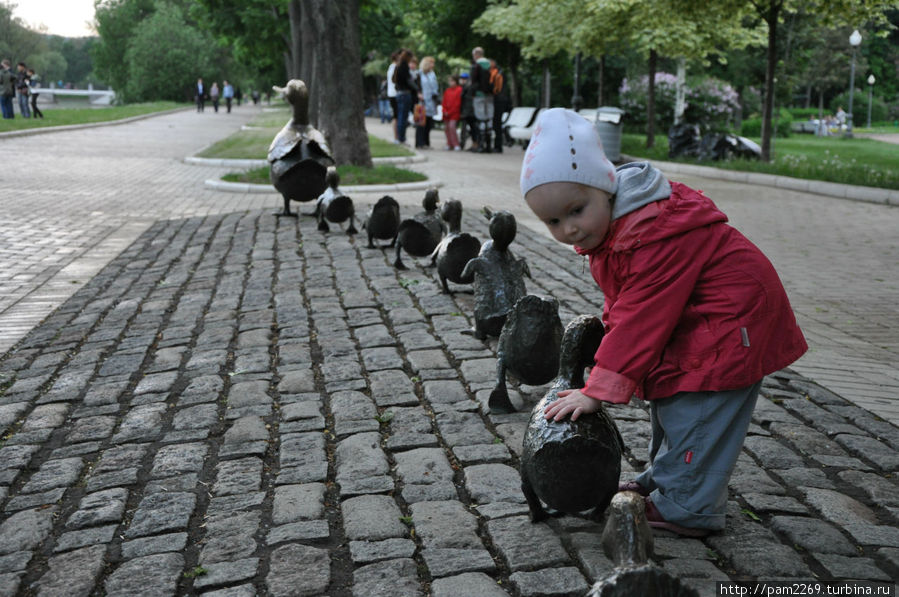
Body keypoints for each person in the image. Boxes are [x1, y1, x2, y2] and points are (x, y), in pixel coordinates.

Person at [520, 108, 807, 537]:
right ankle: (666, 479)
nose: (570, 229)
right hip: (701, 323)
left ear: (606, 188)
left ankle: (687, 505)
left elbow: (641, 316)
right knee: (673, 405)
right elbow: (629, 303)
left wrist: (599, 387)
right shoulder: (624, 228)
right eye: (553, 222)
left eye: (576, 210)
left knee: (698, 413)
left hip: (728, 328)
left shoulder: (652, 235)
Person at [393, 49, 421, 146]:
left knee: (401, 116)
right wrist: (417, 88)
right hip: (405, 93)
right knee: (403, 117)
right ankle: (402, 138)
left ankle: (400, 137)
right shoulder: (404, 66)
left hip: (399, 93)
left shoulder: (398, 66)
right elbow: (408, 81)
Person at [469, 47, 494, 153]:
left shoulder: (476, 65)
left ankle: (481, 145)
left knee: (480, 119)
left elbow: (473, 81)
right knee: (489, 118)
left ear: (476, 55)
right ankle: (489, 145)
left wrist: (472, 93)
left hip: (479, 95)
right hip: (490, 95)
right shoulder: (491, 65)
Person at [416, 56, 439, 149]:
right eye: (431, 63)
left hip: (431, 101)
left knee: (429, 123)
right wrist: (418, 93)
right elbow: (416, 86)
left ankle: (426, 143)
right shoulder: (419, 74)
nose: (433, 65)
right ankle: (419, 143)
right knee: (421, 123)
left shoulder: (432, 74)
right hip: (422, 101)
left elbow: (435, 87)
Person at [490, 59, 510, 153]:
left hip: (499, 100)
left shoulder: (497, 73)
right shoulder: (495, 72)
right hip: (499, 100)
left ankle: (498, 146)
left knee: (497, 123)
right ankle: (496, 146)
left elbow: (497, 89)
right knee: (496, 123)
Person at [441, 75, 462, 151]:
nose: (450, 83)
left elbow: (457, 103)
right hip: (446, 113)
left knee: (452, 127)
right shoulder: (447, 91)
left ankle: (455, 143)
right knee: (447, 128)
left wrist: (449, 112)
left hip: (454, 113)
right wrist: (444, 110)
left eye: (452, 81)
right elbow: (444, 102)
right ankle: (449, 143)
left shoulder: (459, 90)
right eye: (449, 81)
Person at [459, 72, 478, 150]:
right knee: (464, 128)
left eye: (464, 79)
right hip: (465, 111)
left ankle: (475, 143)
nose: (462, 80)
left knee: (473, 128)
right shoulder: (463, 87)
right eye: (462, 79)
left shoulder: (469, 87)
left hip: (470, 112)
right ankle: (462, 143)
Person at [386, 50, 399, 142]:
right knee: (396, 116)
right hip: (395, 94)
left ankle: (396, 137)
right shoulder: (395, 68)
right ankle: (396, 137)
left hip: (392, 93)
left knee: (396, 116)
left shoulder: (391, 67)